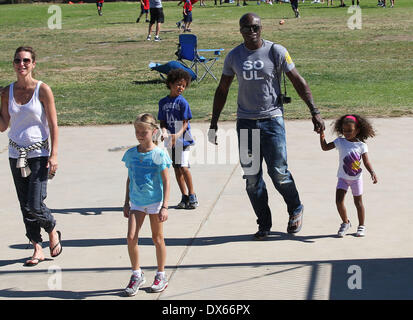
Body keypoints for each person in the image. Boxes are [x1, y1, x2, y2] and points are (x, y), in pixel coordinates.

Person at [208, 13, 325, 240]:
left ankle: (295, 208)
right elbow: (222, 90)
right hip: (245, 122)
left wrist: (314, 111)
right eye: (247, 28)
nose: (252, 31)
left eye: (255, 27)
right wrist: (213, 122)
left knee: (279, 173)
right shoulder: (234, 56)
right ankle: (264, 223)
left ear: (261, 28)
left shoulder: (276, 51)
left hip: (272, 121)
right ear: (240, 30)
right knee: (252, 179)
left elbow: (298, 81)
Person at [0, 46, 61, 266]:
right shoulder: (7, 92)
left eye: (26, 60)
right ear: (13, 64)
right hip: (16, 154)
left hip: (39, 153)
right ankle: (37, 247)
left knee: (35, 203)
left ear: (33, 63)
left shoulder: (43, 90)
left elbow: (53, 124)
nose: (22, 64)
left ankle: (52, 228)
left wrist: (54, 155)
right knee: (24, 204)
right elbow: (3, 125)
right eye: (18, 60)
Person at [122, 113, 171, 296]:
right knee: (131, 237)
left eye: (144, 131)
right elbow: (129, 179)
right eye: (137, 131)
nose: (140, 135)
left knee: (157, 238)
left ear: (154, 132)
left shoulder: (159, 154)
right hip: (136, 202)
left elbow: (166, 181)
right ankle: (137, 274)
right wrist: (126, 202)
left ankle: (161, 274)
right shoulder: (131, 154)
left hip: (155, 202)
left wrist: (165, 206)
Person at [319, 114, 377, 237]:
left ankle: (361, 226)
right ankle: (345, 223)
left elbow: (366, 162)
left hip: (356, 179)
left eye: (350, 131)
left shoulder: (361, 145)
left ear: (357, 130)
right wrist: (321, 134)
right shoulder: (340, 142)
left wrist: (372, 172)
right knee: (339, 201)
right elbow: (325, 147)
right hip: (343, 178)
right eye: (344, 131)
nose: (347, 133)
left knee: (358, 203)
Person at [158, 69, 199, 210]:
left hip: (183, 139)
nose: (181, 87)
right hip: (170, 139)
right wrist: (164, 131)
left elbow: (185, 122)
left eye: (183, 85)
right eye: (178, 84)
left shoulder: (183, 102)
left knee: (183, 166)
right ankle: (184, 196)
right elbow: (162, 121)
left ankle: (193, 195)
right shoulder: (162, 102)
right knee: (176, 168)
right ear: (170, 84)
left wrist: (178, 135)